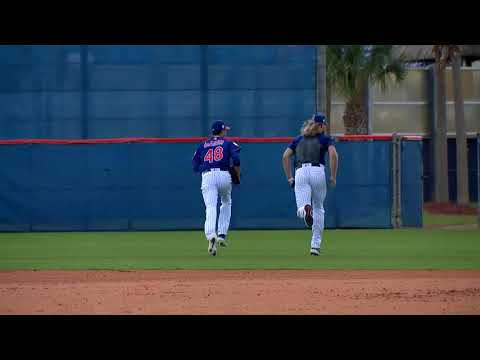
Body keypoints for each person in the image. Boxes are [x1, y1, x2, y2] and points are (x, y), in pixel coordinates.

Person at [282, 113, 338, 256]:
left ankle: (305, 209)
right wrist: (333, 175)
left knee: (301, 208)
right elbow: (333, 154)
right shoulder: (325, 139)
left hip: (300, 172)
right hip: (317, 171)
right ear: (320, 125)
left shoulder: (298, 139)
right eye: (324, 124)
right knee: (319, 208)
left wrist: (289, 177)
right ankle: (315, 245)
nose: (325, 127)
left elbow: (285, 156)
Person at [192, 121, 241, 256]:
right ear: (222, 131)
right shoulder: (228, 143)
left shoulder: (203, 145)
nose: (226, 132)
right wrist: (237, 174)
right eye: (225, 130)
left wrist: (206, 168)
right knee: (226, 202)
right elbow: (236, 159)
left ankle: (210, 235)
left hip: (207, 175)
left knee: (211, 206)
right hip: (224, 174)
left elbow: (195, 166)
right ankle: (221, 234)